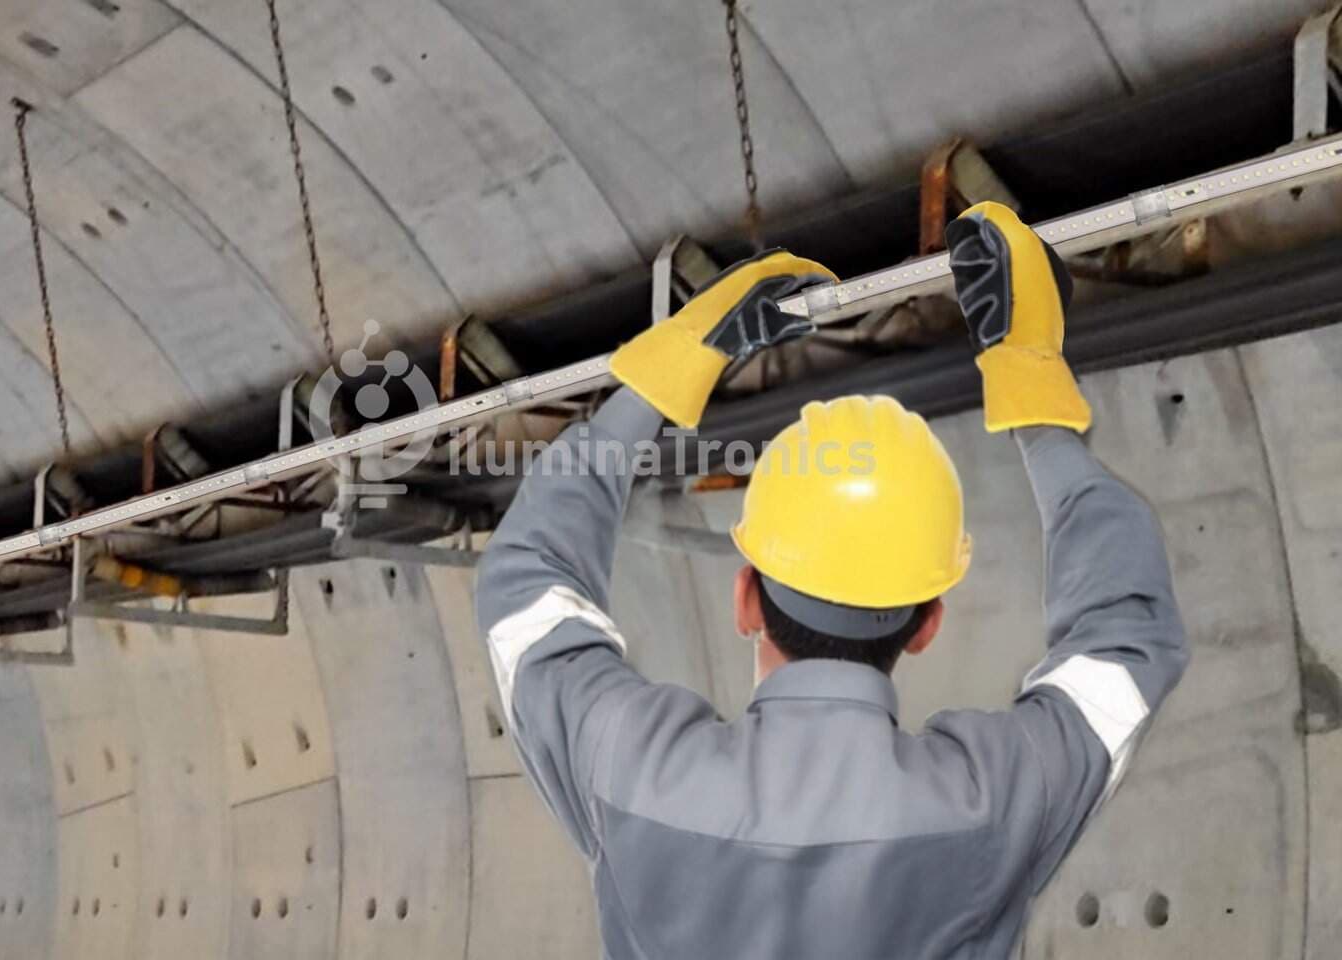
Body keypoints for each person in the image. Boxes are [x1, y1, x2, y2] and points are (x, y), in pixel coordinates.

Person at [473, 202, 1189, 959]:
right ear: (928, 624)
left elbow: (527, 583)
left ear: (746, 598)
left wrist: (665, 373)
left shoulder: (628, 766)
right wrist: (1032, 389)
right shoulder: (994, 802)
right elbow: (1127, 643)